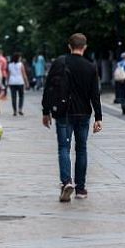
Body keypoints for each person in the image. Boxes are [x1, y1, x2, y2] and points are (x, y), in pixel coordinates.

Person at [42, 33, 103, 202]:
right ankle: (81, 188)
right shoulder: (90, 67)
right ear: (85, 47)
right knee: (82, 149)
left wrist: (45, 111)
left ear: (69, 46)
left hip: (63, 112)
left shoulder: (60, 62)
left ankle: (66, 182)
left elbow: (49, 87)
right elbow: (95, 94)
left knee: (63, 147)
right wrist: (98, 117)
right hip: (83, 113)